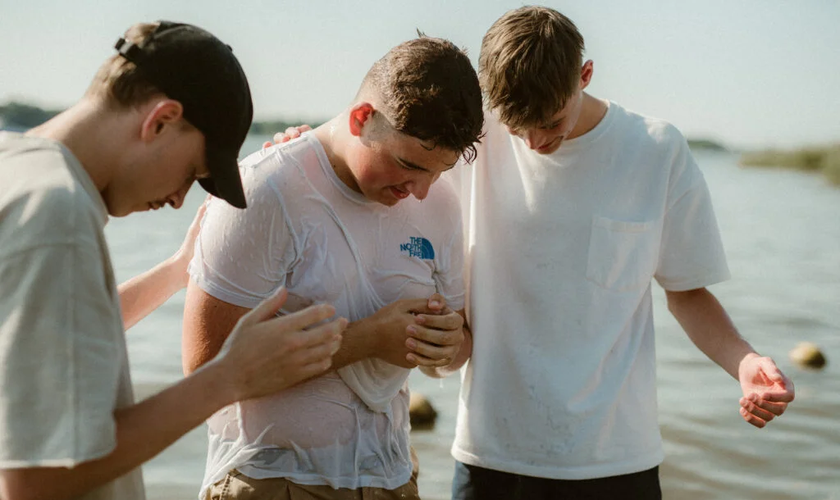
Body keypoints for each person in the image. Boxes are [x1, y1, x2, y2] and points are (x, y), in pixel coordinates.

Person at [274, 6, 797, 500]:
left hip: (619, 459)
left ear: (585, 75)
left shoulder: (656, 151)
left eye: (550, 122)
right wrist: (310, 152)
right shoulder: (468, 142)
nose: (531, 141)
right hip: (490, 454)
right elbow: (380, 164)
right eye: (516, 124)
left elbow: (687, 292)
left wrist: (744, 361)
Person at [0, 21, 344, 500]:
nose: (180, 199)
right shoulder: (58, 213)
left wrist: (177, 271)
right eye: (192, 172)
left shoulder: (16, 170)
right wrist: (228, 377)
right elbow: (37, 478)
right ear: (160, 119)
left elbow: (45, 336)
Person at [181, 35, 484, 500]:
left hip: (391, 478)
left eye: (438, 172)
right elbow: (203, 373)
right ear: (363, 118)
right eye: (408, 165)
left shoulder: (439, 203)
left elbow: (459, 350)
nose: (420, 191)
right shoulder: (266, 189)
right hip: (271, 478)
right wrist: (365, 339)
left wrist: (444, 346)